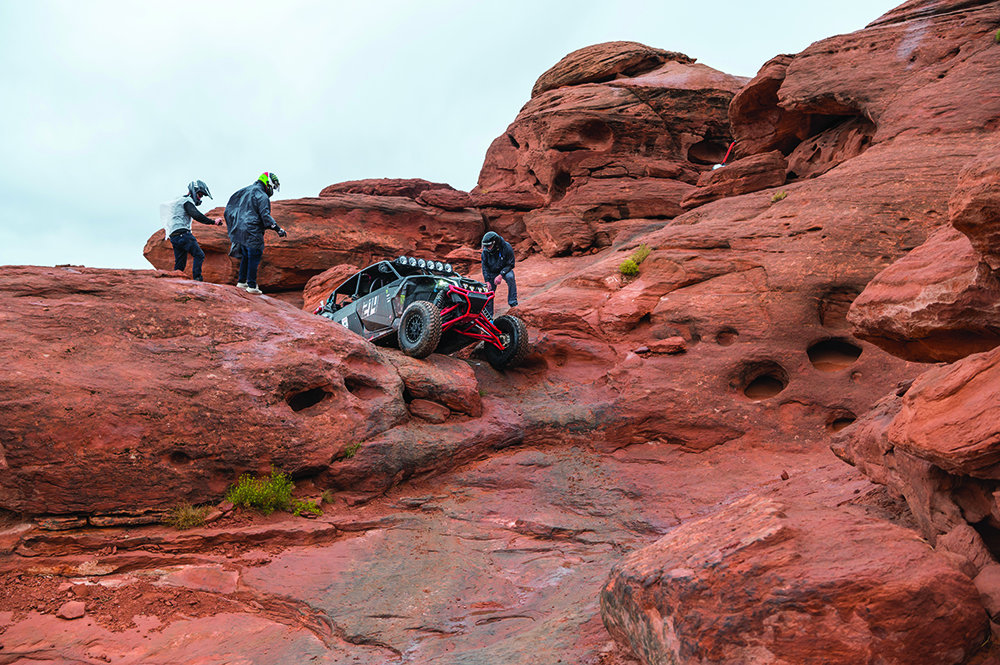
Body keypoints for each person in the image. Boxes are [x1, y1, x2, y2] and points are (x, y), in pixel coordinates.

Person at [224, 172, 288, 295]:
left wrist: (234, 226)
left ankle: (242, 282)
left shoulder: (245, 191)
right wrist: (278, 229)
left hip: (240, 230)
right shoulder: (262, 195)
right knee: (254, 255)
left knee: (246, 256)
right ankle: (252, 286)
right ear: (268, 183)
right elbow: (265, 215)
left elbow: (230, 207)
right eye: (273, 187)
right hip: (252, 230)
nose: (273, 190)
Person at [160, 180, 223, 282]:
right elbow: (196, 215)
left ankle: (174, 282)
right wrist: (213, 222)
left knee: (180, 264)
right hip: (183, 234)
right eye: (200, 195)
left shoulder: (179, 200)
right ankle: (197, 280)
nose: (200, 198)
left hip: (174, 236)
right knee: (199, 254)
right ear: (194, 192)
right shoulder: (187, 201)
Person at [480, 230, 517, 316]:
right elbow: (484, 267)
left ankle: (513, 302)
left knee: (510, 277)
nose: (487, 248)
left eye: (489, 246)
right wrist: (487, 281)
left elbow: (511, 264)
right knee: (489, 290)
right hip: (492, 272)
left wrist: (501, 275)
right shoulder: (485, 252)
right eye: (486, 246)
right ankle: (489, 315)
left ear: (495, 243)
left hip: (504, 269)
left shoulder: (506, 247)